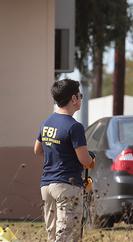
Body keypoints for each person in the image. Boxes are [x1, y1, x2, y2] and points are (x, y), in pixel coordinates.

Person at [34, 79, 94, 242]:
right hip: (66, 187)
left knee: (53, 235)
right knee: (67, 236)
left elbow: (38, 150)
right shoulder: (75, 126)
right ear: (73, 99)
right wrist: (91, 157)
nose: (80, 98)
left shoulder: (47, 123)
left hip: (46, 185)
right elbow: (84, 159)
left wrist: (59, 155)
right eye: (80, 95)